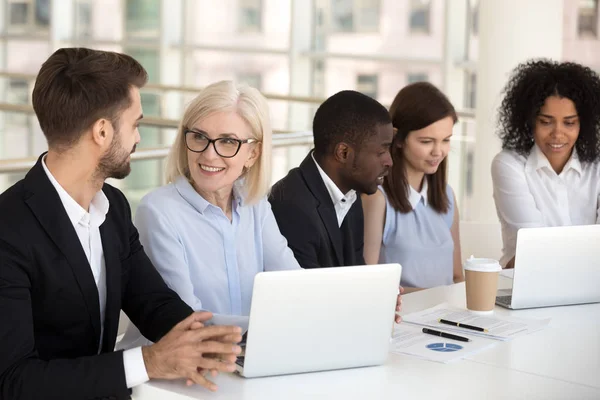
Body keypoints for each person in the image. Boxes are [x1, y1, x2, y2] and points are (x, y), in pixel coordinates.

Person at [0, 48, 242, 400]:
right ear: (102, 132)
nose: (138, 138)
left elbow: (153, 302)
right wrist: (148, 362)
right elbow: (14, 381)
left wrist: (213, 344)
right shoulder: (8, 229)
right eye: (135, 124)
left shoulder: (112, 207)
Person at [118, 80, 301, 349]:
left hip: (244, 355)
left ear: (253, 153)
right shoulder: (158, 211)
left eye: (227, 142)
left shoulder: (256, 205)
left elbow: (295, 287)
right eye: (199, 137)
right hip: (174, 372)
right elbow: (187, 321)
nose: (209, 154)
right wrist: (266, 327)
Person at [491, 59, 600, 269]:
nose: (557, 134)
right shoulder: (509, 165)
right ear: (529, 120)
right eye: (546, 121)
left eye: (569, 123)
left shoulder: (596, 168)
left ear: (583, 123)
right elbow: (533, 250)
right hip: (528, 284)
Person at [269, 90, 394, 270]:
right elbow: (308, 292)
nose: (389, 162)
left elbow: (357, 275)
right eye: (381, 152)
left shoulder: (351, 195)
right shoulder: (289, 205)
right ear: (343, 153)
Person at [362, 82, 463, 291]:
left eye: (445, 140)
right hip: (403, 318)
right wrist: (436, 297)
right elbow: (368, 284)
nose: (439, 152)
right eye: (426, 141)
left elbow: (456, 276)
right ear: (397, 139)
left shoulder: (447, 195)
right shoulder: (377, 199)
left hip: (446, 318)